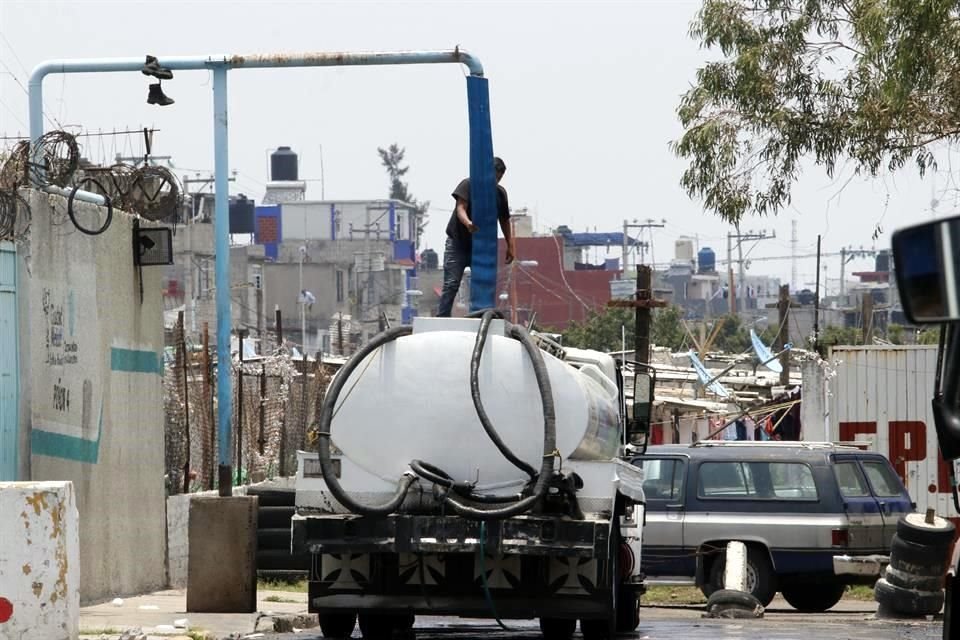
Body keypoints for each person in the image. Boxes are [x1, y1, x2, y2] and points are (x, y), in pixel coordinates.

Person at [436, 157, 516, 317]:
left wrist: (510, 245)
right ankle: (442, 317)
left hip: (479, 246)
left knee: (482, 283)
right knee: (452, 283)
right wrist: (468, 223)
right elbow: (460, 208)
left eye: (499, 178)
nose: (496, 181)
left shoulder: (499, 194)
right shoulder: (468, 185)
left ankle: (480, 315)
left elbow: (504, 220)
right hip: (458, 242)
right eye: (494, 176)